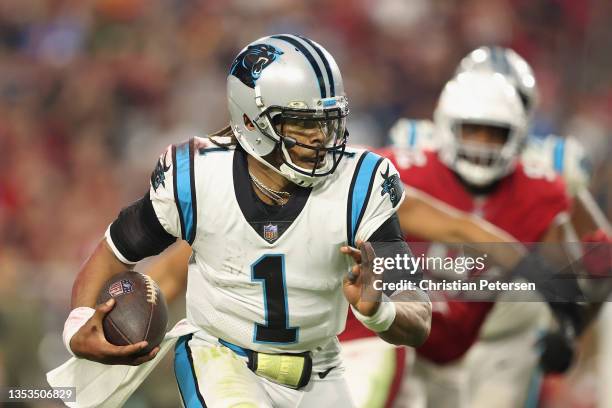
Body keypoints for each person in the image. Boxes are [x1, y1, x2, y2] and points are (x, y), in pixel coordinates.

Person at [61, 34, 431, 408]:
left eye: (328, 122)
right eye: (303, 124)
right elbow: (114, 253)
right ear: (253, 122)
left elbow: (417, 313)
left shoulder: (360, 184)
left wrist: (379, 309)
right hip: (222, 360)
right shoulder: (197, 178)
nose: (321, 138)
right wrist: (77, 325)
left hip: (321, 368)